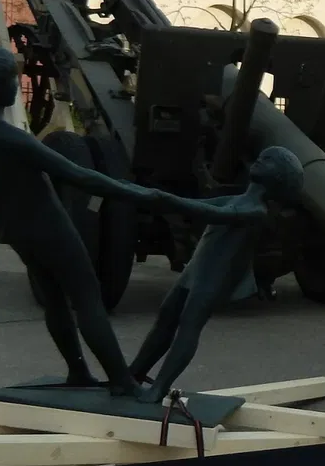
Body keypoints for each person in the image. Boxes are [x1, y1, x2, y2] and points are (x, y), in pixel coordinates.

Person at [0, 45, 258, 396]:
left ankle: (78, 372)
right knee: (87, 298)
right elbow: (78, 175)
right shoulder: (9, 136)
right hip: (46, 224)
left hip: (20, 228)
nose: (16, 81)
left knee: (55, 300)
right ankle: (122, 381)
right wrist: (137, 193)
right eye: (10, 77)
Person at [129, 146, 306, 402]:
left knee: (189, 326)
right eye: (263, 155)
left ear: (278, 180)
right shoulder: (236, 199)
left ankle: (158, 388)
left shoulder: (255, 211)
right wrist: (145, 195)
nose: (260, 158)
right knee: (166, 318)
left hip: (214, 277)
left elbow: (209, 212)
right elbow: (197, 205)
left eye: (269, 161)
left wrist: (159, 198)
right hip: (196, 269)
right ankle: (134, 374)